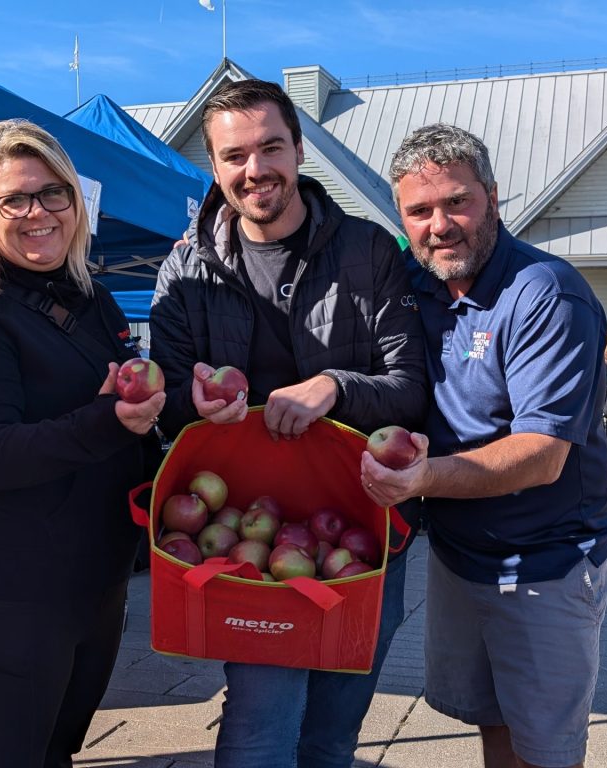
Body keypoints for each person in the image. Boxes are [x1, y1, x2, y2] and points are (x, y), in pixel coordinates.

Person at [149, 79, 428, 768]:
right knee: (259, 727)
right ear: (214, 167)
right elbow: (167, 408)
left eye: (270, 147)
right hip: (244, 532)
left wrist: (335, 386)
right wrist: (196, 406)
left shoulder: (368, 253)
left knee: (333, 734)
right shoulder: (185, 270)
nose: (254, 170)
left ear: (299, 150)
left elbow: (411, 391)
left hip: (363, 529)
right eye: (234, 155)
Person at [0, 119, 165, 768]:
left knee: (53, 755)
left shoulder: (93, 300)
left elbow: (124, 422)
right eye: (14, 199)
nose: (38, 213)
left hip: (90, 583)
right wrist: (111, 420)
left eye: (55, 193)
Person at [362, 124, 607, 768]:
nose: (440, 225)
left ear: (493, 198)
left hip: (544, 562)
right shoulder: (418, 291)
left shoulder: (544, 293)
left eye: (457, 202)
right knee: (491, 721)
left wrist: (421, 479)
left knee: (545, 749)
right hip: (459, 555)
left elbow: (541, 451)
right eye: (419, 211)